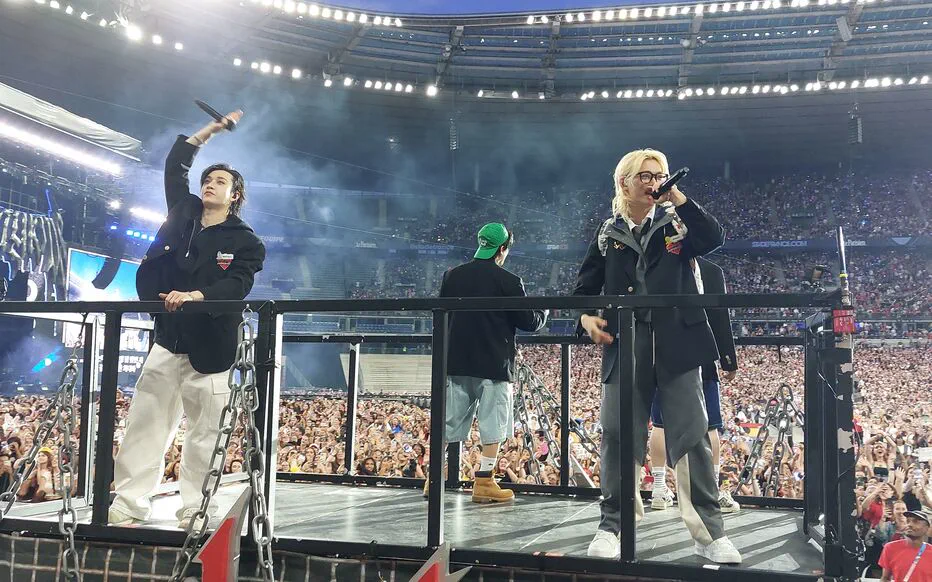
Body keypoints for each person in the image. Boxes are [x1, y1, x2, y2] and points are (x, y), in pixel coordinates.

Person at [573, 149, 741, 563]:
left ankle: (708, 531)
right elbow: (584, 288)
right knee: (616, 435)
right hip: (625, 342)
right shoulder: (607, 233)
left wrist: (678, 198)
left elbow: (714, 238)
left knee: (693, 435)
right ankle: (614, 523)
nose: (654, 182)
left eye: (660, 175)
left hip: (678, 343)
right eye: (645, 176)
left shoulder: (678, 222)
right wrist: (586, 318)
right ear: (624, 183)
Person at [109, 110, 266, 529]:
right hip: (168, 338)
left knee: (204, 435)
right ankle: (128, 502)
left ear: (235, 195)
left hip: (212, 347)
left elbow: (237, 286)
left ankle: (196, 509)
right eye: (207, 179)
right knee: (145, 423)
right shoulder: (182, 214)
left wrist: (197, 295)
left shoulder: (246, 241)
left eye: (220, 181)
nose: (209, 184)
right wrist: (209, 132)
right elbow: (175, 167)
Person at [434, 223, 548, 503]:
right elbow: (528, 322)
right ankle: (484, 482)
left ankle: (432, 480)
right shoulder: (509, 281)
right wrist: (544, 311)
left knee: (448, 422)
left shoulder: (452, 276)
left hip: (456, 361)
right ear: (503, 248)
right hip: (493, 364)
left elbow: (442, 314)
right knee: (493, 424)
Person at [648, 257, 741, 514]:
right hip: (702, 349)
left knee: (660, 423)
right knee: (710, 424)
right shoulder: (711, 270)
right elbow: (720, 316)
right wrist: (728, 358)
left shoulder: (656, 265)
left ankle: (658, 489)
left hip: (661, 351)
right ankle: (711, 490)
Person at [879, 510, 932, 581]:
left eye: (915, 522)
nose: (909, 524)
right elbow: (885, 578)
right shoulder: (890, 548)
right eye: (908, 521)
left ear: (927, 528)